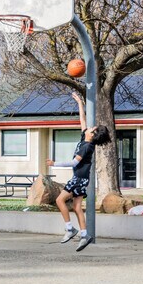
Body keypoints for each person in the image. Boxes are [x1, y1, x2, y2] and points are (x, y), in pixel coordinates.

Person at [46, 92, 111, 252]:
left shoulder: (87, 146)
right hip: (83, 179)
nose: (89, 127)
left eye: (92, 128)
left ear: (93, 134)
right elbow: (82, 119)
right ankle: (85, 235)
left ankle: (69, 229)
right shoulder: (85, 138)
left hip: (79, 178)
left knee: (60, 201)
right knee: (76, 207)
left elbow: (75, 162)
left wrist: (55, 163)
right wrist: (79, 103)